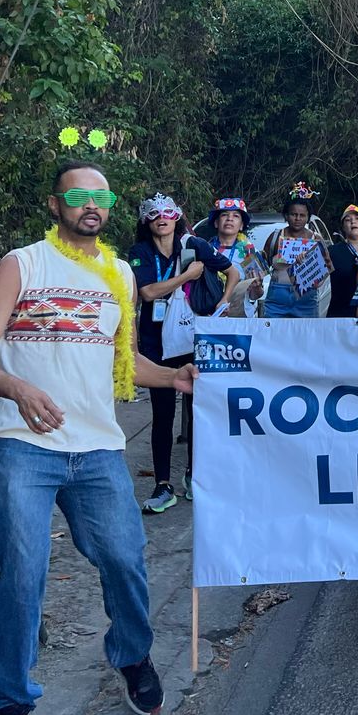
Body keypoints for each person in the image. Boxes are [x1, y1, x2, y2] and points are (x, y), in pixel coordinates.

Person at [0, 162, 197, 715]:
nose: (92, 204)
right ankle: (11, 701)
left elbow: (123, 366)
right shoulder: (22, 265)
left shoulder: (119, 274)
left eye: (102, 196)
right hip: (22, 446)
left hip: (97, 450)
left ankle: (131, 656)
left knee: (125, 560)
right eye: (79, 195)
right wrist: (17, 388)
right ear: (55, 203)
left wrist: (172, 379)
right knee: (23, 574)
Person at [127, 194, 232, 513]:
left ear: (177, 217)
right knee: (162, 415)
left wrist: (222, 304)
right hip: (156, 342)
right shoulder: (139, 252)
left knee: (197, 411)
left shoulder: (193, 245)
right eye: (154, 213)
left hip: (191, 337)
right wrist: (187, 277)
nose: (162, 217)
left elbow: (233, 272)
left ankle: (194, 475)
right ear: (147, 220)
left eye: (168, 212)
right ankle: (162, 485)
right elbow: (146, 292)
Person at [263, 184, 329, 318]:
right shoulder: (275, 237)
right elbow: (263, 264)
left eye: (302, 215)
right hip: (277, 297)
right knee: (271, 335)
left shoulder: (316, 239)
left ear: (308, 217)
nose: (298, 219)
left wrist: (317, 280)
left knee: (305, 336)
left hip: (306, 298)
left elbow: (326, 267)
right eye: (293, 214)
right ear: (286, 216)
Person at [207, 197, 265, 316]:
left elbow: (256, 295)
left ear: (241, 225)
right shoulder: (206, 250)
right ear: (216, 222)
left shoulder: (250, 252)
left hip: (241, 317)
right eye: (224, 215)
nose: (229, 219)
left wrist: (257, 287)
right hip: (211, 315)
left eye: (236, 216)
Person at [327, 204, 358, 318]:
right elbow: (315, 280)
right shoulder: (331, 252)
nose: (353, 222)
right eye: (348, 220)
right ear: (343, 226)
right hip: (339, 315)